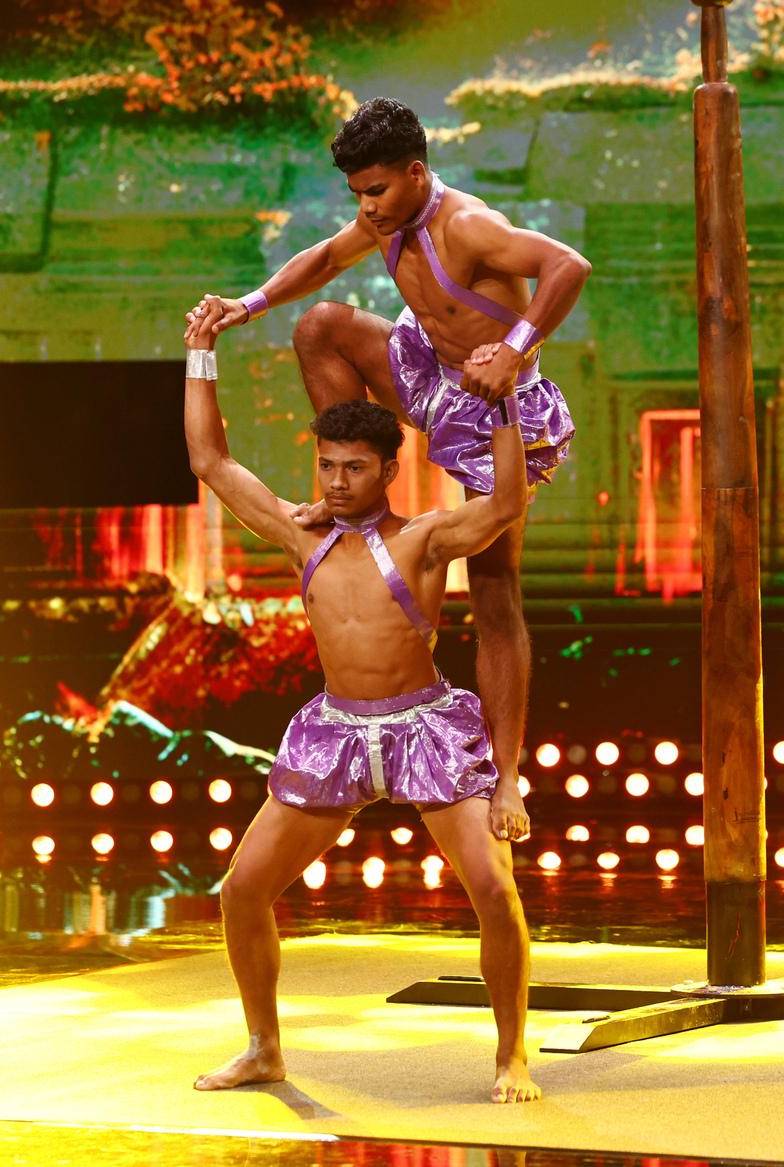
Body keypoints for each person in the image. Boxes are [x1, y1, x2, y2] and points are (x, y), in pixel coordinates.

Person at [187, 96, 591, 844]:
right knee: (321, 327)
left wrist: (515, 350)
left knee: (494, 589)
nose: (367, 207)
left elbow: (569, 265)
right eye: (357, 194)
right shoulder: (383, 217)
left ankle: (507, 774)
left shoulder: (467, 226)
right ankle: (355, 498)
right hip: (429, 372)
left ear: (415, 172)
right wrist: (247, 306)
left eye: (376, 190)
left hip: (493, 403)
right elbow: (324, 260)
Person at [181, 309, 541, 1104]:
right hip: (335, 733)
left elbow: (505, 504)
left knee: (494, 889)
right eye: (327, 466)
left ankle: (512, 1054)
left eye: (353, 468)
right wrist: (200, 351)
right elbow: (211, 460)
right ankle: (264, 1048)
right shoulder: (301, 536)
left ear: (387, 471)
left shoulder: (423, 540)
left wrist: (507, 399)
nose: (336, 482)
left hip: (425, 728)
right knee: (241, 889)